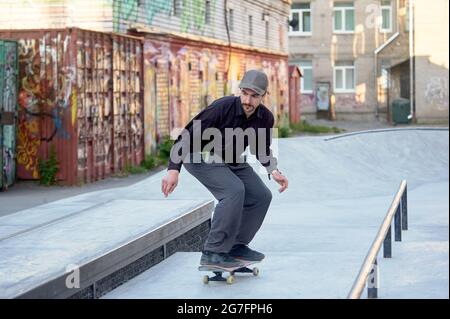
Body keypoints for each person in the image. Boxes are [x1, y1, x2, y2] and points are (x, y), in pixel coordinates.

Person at [161, 69, 289, 268]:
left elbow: (261, 148)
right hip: (200, 156)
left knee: (261, 195)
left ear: (263, 96)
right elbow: (187, 135)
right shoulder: (222, 107)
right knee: (233, 191)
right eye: (244, 94)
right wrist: (173, 169)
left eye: (254, 96)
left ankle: (235, 246)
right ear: (240, 91)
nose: (247, 100)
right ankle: (213, 251)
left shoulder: (265, 118)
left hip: (231, 159)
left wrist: (273, 170)